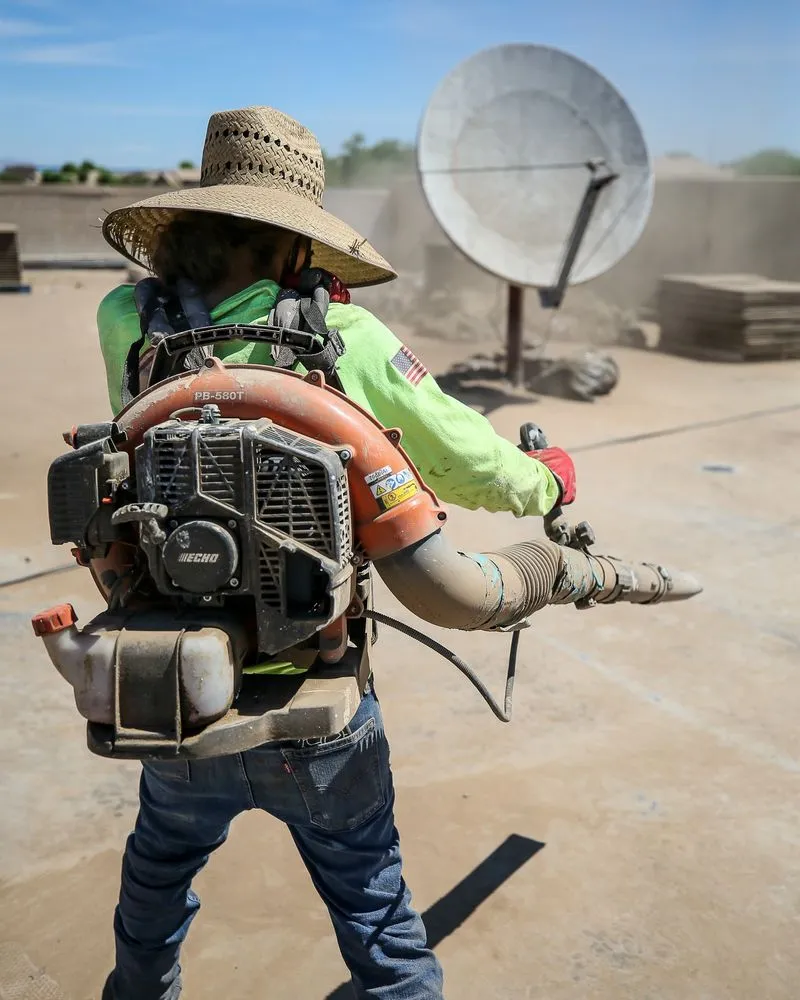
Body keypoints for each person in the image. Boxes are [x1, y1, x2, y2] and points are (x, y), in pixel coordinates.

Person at [96, 106, 577, 1000]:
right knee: (373, 907)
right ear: (291, 243)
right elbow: (460, 454)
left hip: (173, 687)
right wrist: (544, 481)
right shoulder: (343, 338)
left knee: (155, 884)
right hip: (315, 697)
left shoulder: (126, 317)